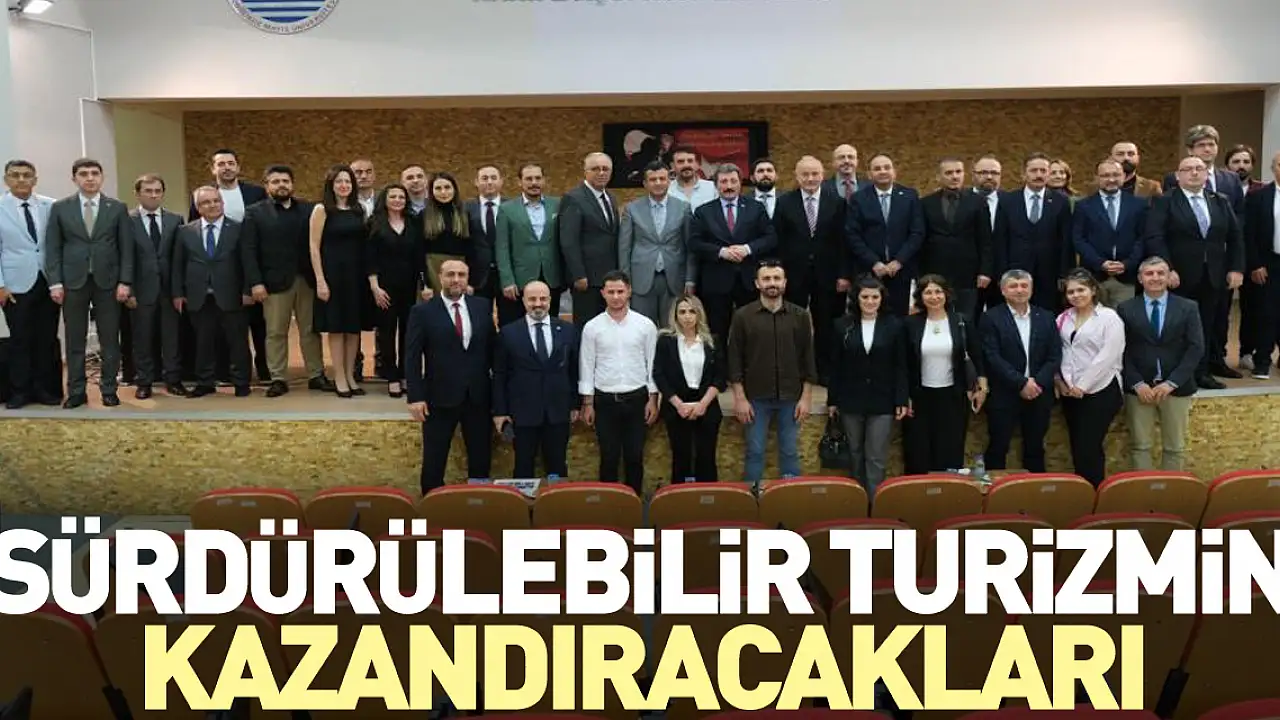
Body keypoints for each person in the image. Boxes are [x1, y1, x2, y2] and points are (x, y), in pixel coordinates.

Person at [1144, 155, 1244, 389]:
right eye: (1188, 169)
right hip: (1179, 276)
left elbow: (1235, 237)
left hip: (1214, 275)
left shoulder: (1220, 200)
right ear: (1178, 176)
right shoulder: (1165, 201)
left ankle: (1202, 372)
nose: (1194, 173)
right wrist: (1167, 269)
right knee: (1177, 327)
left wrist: (1236, 268)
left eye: (1199, 168)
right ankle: (1177, 375)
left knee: (1206, 325)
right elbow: (1155, 237)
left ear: (1207, 174)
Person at [45, 158, 135, 408]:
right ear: (74, 179)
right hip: (73, 282)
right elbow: (53, 247)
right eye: (83, 174)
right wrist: (55, 282)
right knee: (75, 340)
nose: (90, 178)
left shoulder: (116, 208)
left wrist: (125, 281)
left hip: (109, 282)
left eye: (95, 173)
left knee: (109, 340)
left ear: (102, 177)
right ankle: (76, 391)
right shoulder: (60, 208)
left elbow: (126, 248)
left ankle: (109, 389)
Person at [242, 164, 333, 398]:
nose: (281, 185)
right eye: (276, 181)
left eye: (285, 181)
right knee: (275, 332)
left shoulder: (308, 209)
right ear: (267, 186)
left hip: (306, 280)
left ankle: (316, 374)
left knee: (310, 330)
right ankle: (278, 378)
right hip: (273, 283)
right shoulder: (254, 213)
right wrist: (255, 283)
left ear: (292, 184)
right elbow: (248, 250)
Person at [405, 260, 494, 493]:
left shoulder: (482, 306)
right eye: (451, 274)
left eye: (461, 275)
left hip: (478, 397)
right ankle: (431, 506)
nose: (456, 280)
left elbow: (492, 350)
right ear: (440, 277)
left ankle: (479, 503)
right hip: (439, 397)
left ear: (468, 278)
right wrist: (415, 396)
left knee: (480, 459)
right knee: (434, 461)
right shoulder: (422, 312)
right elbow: (412, 357)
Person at [728, 260, 817, 484]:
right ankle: (752, 499)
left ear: (785, 282)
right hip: (755, 397)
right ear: (757, 283)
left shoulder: (800, 316)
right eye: (766, 279)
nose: (772, 283)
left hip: (791, 397)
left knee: (790, 451)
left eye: (777, 278)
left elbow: (808, 358)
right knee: (755, 452)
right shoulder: (743, 316)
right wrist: (740, 398)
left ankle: (789, 498)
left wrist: (806, 397)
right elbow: (735, 359)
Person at [1116, 256, 1204, 471]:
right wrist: (1137, 383)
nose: (1155, 278)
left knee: (1175, 448)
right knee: (1140, 446)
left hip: (1176, 387)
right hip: (1139, 390)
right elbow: (1120, 350)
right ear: (1140, 278)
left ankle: (1172, 491)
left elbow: (1196, 348)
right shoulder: (1125, 308)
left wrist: (1172, 383)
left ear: (1169, 276)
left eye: (1160, 273)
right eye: (1149, 273)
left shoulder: (1188, 307)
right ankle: (1143, 490)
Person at [579, 270, 659, 493]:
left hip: (637, 398)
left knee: (635, 456)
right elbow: (586, 365)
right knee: (608, 456)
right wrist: (587, 403)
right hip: (605, 400)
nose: (616, 297)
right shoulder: (592, 327)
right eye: (611, 292)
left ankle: (634, 503)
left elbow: (652, 364)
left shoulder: (645, 325)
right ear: (603, 293)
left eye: (620, 291)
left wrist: (653, 399)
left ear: (629, 292)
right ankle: (609, 505)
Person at [826, 277, 908, 495]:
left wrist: (901, 398)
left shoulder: (895, 326)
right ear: (857, 299)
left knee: (876, 456)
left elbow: (901, 366)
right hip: (850, 399)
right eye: (865, 297)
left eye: (875, 297)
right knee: (854, 453)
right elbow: (835, 366)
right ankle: (857, 501)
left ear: (882, 299)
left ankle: (874, 503)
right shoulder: (842, 325)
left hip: (883, 399)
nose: (870, 301)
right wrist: (832, 400)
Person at [776, 154, 851, 382]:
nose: (810, 178)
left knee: (827, 325)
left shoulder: (837, 202)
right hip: (794, 275)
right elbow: (778, 240)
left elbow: (844, 241)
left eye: (815, 174)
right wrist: (779, 275)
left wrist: (844, 274)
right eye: (805, 174)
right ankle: (794, 371)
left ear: (822, 175)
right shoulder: (784, 202)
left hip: (828, 275)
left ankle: (824, 371)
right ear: (797, 176)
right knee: (791, 324)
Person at [492, 280, 579, 479]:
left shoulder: (567, 330)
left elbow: (573, 370)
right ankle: (524, 501)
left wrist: (575, 404)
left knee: (557, 466)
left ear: (550, 300)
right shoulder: (508, 333)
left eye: (542, 299)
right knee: (523, 466)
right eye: (532, 299)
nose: (538, 304)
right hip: (522, 413)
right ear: (523, 301)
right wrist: (500, 411)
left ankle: (557, 500)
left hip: (557, 411)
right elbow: (500, 374)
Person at [171, 187, 252, 398]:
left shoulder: (238, 229)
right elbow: (178, 265)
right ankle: (205, 382)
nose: (213, 205)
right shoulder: (185, 231)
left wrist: (248, 290)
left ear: (222, 203)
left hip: (232, 294)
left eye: (216, 201)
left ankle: (241, 382)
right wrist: (178, 293)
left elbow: (247, 262)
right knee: (203, 341)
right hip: (198, 296)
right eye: (206, 202)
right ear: (198, 208)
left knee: (237, 341)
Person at [902, 274, 988, 473]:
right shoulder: (910, 324)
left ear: (947, 294)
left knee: (950, 449)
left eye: (938, 292)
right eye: (928, 292)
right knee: (918, 452)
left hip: (954, 395)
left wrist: (982, 387)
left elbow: (977, 356)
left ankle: (948, 489)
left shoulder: (961, 321)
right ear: (920, 296)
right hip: (919, 396)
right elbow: (903, 363)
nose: (934, 297)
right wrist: (904, 396)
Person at [979, 269, 1062, 472]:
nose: (1019, 290)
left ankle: (1034, 489)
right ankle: (994, 489)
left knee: (1035, 448)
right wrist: (1021, 382)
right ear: (1003, 290)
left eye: (1024, 285)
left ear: (1031, 289)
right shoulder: (990, 318)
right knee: (998, 446)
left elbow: (1054, 356)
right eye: (1013, 286)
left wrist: (1037, 383)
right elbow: (992, 356)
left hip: (1039, 393)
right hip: (1004, 393)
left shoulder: (1046, 316)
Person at [689, 164, 777, 343]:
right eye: (723, 181)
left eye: (733, 181)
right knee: (717, 333)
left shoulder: (756, 208)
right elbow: (694, 243)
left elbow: (770, 238)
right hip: (716, 282)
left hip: (748, 281)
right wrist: (721, 252)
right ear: (716, 185)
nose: (728, 186)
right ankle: (720, 362)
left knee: (752, 331)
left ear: (740, 183)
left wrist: (747, 249)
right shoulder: (703, 211)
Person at [1055, 269, 1126, 485]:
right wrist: (1062, 381)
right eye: (1071, 292)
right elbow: (1060, 352)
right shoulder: (1063, 318)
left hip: (1101, 390)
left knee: (1089, 446)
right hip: (1070, 392)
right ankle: (1082, 492)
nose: (1076, 295)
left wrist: (1083, 385)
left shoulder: (1109, 318)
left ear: (1093, 290)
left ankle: (1095, 492)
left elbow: (1108, 356)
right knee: (1077, 446)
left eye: (1081, 290)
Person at [0, 159, 60, 408]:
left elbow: (57, 244)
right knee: (20, 339)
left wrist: (59, 281)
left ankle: (44, 390)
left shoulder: (51, 205)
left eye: (27, 175)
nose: (21, 179)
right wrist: (0, 285)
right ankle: (19, 392)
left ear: (35, 179)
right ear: (6, 179)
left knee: (46, 339)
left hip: (48, 281)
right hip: (14, 285)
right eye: (15, 175)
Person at [309, 164, 372, 398]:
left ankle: (350, 375)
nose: (344, 185)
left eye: (347, 181)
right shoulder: (322, 209)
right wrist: (320, 280)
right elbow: (313, 247)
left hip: (356, 275)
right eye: (339, 182)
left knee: (353, 328)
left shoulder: (358, 210)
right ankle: (339, 377)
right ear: (331, 185)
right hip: (332, 275)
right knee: (336, 327)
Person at [654, 294, 724, 483]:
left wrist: (703, 404)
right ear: (675, 315)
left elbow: (720, 377)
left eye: (692, 311)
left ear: (699, 314)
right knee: (681, 458)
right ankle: (679, 499)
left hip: (706, 405)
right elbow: (659, 375)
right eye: (682, 312)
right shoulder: (666, 342)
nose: (687, 316)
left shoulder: (712, 341)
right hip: (676, 406)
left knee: (706, 457)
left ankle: (708, 498)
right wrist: (678, 405)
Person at [126, 174, 185, 399]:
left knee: (171, 338)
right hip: (141, 290)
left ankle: (173, 380)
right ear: (137, 194)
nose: (153, 195)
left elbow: (179, 259)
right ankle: (144, 381)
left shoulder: (175, 220)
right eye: (148, 191)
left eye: (157, 191)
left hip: (170, 290)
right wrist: (129, 289)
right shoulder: (126, 220)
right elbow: (124, 257)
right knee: (142, 338)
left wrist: (179, 292)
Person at [367, 183, 426, 399]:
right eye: (393, 196)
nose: (398, 200)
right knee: (387, 332)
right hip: (384, 287)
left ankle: (405, 375)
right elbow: (369, 258)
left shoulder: (413, 223)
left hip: (409, 286)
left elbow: (419, 257)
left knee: (408, 332)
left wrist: (424, 284)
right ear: (385, 199)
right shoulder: (374, 223)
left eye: (401, 197)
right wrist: (375, 287)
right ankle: (391, 376)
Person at [618, 160, 694, 325]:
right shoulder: (632, 209)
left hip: (674, 277)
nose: (658, 183)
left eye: (662, 178)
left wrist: (689, 278)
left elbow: (690, 247)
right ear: (645, 183)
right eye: (653, 179)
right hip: (641, 279)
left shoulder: (683, 208)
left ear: (669, 181)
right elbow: (624, 247)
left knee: (672, 329)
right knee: (641, 328)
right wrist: (625, 281)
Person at [1072, 158, 1148, 307]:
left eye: (1116, 175)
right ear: (1097, 178)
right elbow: (1078, 239)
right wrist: (1100, 263)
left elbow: (1142, 237)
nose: (1111, 179)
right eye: (1105, 175)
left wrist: (1127, 264)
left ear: (1124, 176)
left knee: (1124, 318)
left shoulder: (1138, 205)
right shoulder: (1083, 206)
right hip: (1094, 277)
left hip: (1126, 277)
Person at [495, 163, 562, 326]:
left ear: (544, 180)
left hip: (551, 276)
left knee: (550, 323)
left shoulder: (557, 205)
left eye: (538, 178)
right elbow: (502, 248)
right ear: (520, 182)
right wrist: (507, 280)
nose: (534, 183)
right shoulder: (506, 209)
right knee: (519, 325)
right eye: (529, 179)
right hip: (520, 279)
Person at [559, 151, 621, 328]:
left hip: (608, 277)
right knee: (587, 327)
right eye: (595, 169)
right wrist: (578, 275)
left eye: (605, 169)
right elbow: (569, 241)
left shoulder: (610, 198)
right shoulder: (574, 198)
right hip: (586, 280)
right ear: (585, 171)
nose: (601, 173)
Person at [421, 172, 475, 295]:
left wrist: (471, 281)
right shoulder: (424, 215)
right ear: (431, 191)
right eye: (438, 188)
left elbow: (471, 249)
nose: (443, 192)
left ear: (454, 189)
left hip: (459, 268)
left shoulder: (464, 214)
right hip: (433, 268)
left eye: (447, 187)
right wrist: (425, 283)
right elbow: (419, 251)